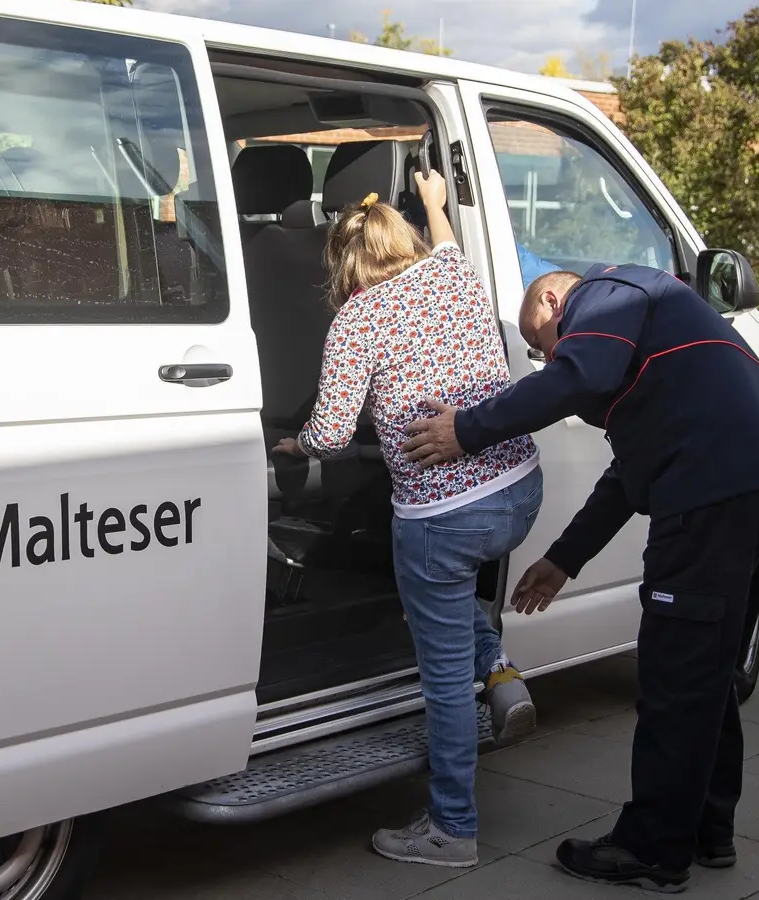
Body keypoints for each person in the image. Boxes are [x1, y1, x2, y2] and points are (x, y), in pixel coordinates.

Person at [400, 264, 759, 892]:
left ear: (554, 299)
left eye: (540, 344)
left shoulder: (609, 296)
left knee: (675, 675)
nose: (545, 360)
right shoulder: (657, 338)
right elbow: (627, 473)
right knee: (708, 667)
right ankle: (707, 829)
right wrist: (564, 559)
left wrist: (467, 428)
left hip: (712, 497)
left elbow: (576, 376)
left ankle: (652, 849)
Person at [272, 172, 542, 868]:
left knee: (444, 670)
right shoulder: (453, 275)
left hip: (442, 517)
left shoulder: (356, 319)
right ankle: (501, 671)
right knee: (451, 602)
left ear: (343, 265)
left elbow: (332, 435)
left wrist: (296, 441)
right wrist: (434, 204)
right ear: (410, 241)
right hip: (517, 492)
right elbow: (447, 242)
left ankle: (451, 829)